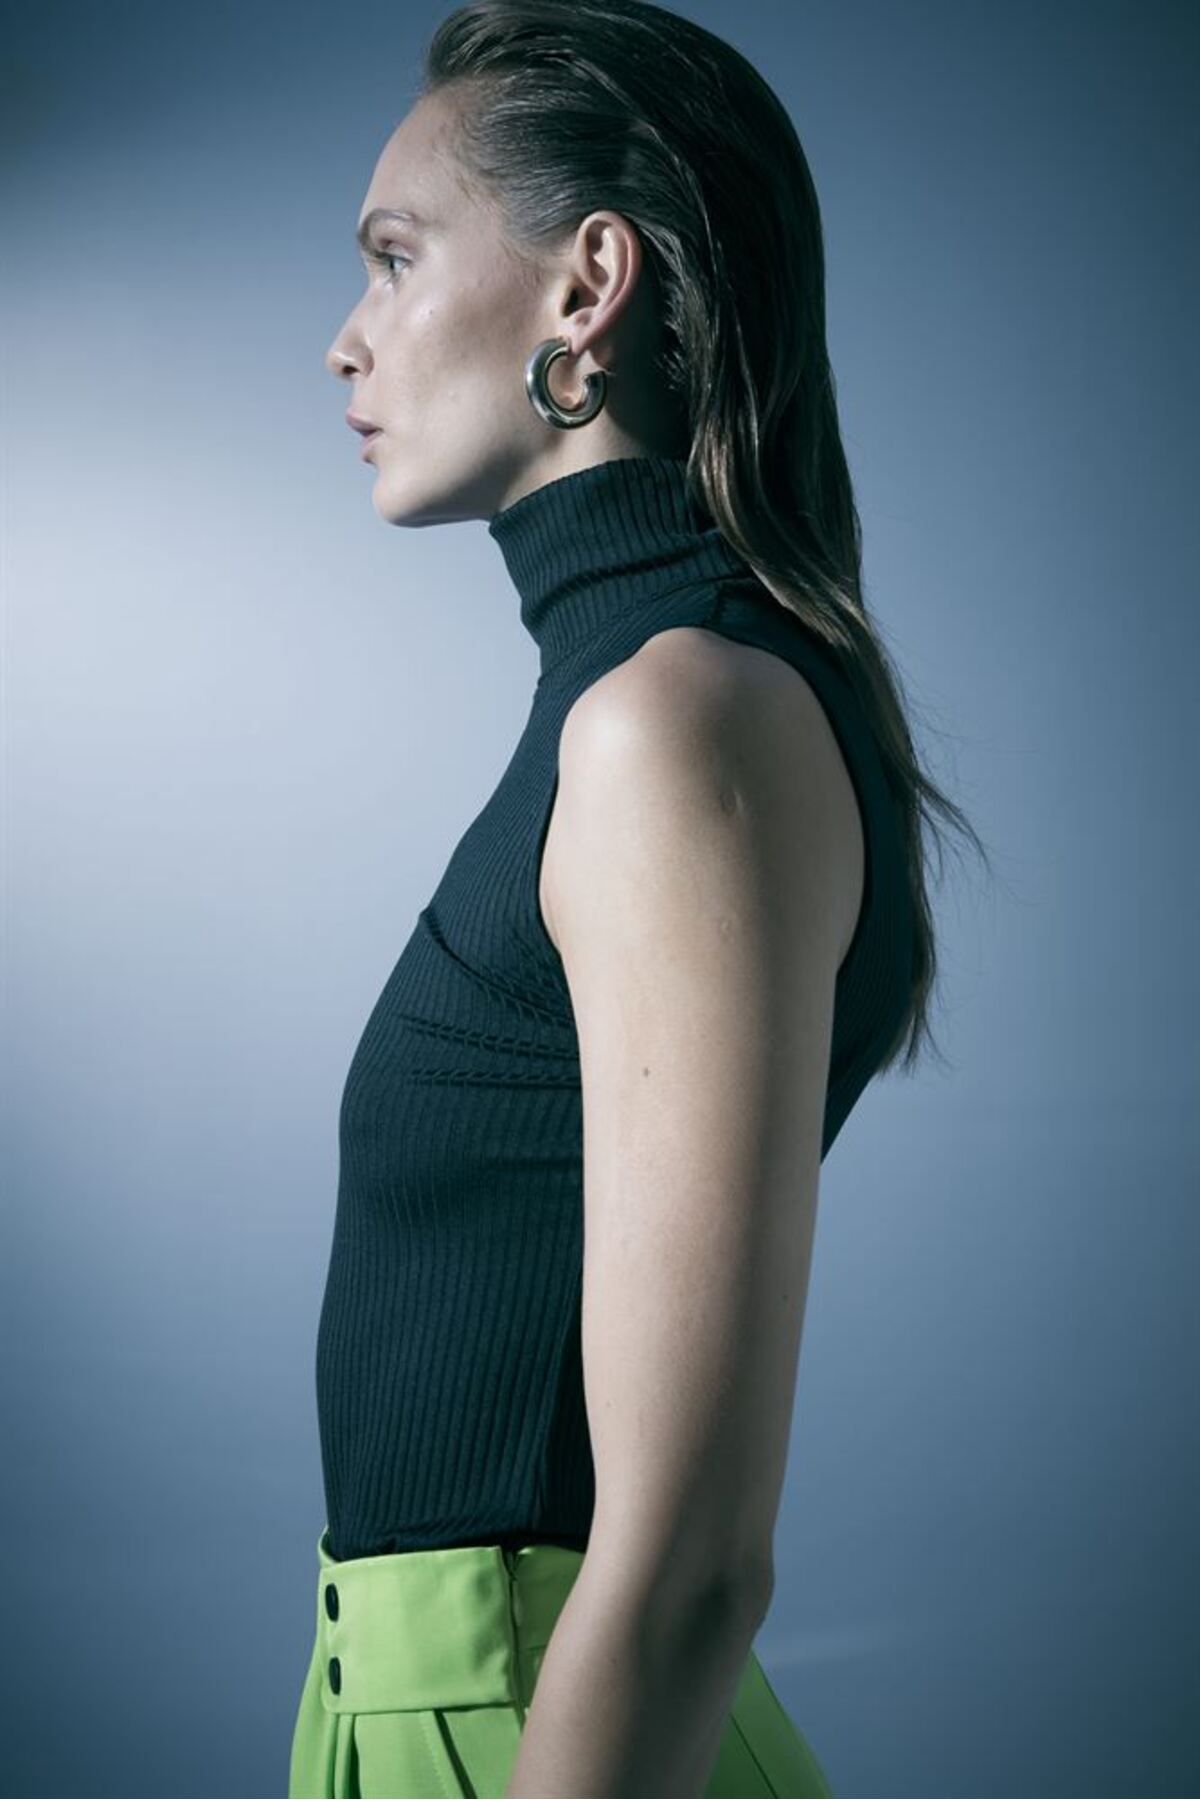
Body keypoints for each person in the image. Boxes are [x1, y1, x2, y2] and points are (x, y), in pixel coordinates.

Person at [289, 3, 990, 1795]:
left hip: (540, 1738)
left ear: (587, 286)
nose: (345, 338)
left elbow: (690, 1568)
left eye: (394, 256)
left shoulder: (674, 725)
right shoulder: (645, 703)